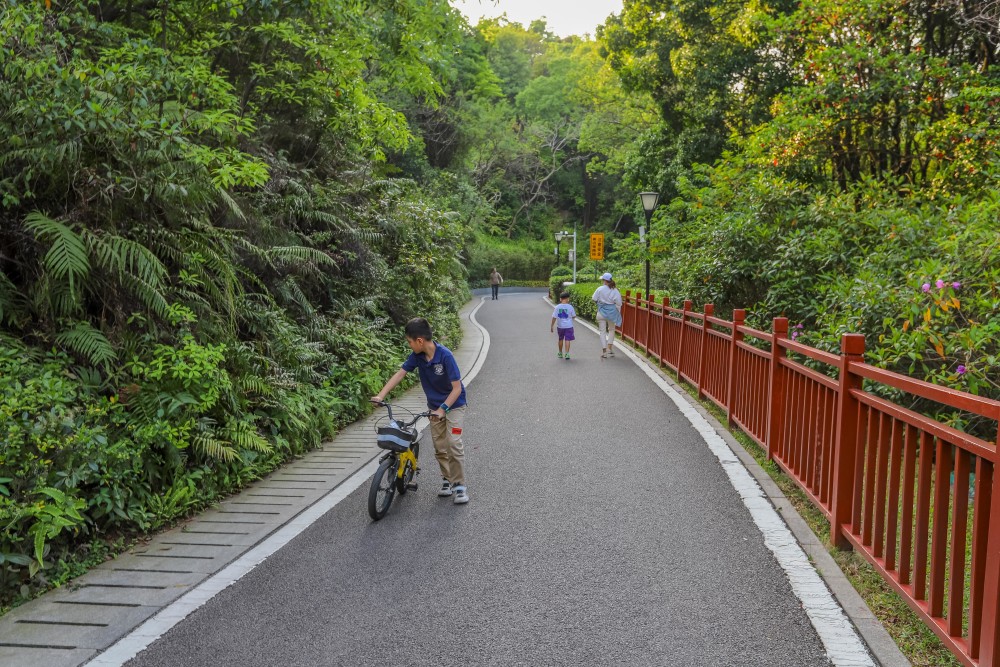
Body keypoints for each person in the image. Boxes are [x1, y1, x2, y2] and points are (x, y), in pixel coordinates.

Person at [371, 317, 470, 505]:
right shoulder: (417, 357)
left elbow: (456, 388)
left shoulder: (445, 356)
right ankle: (447, 480)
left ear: (419, 341)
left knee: (453, 443)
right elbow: (400, 373)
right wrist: (380, 395)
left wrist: (443, 409)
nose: (409, 345)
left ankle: (459, 486)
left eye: (409, 341)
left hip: (454, 406)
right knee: (439, 446)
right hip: (434, 408)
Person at [592, 272, 622, 359]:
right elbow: (619, 303)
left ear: (604, 280)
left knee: (602, 332)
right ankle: (609, 347)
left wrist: (600, 303)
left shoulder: (600, 289)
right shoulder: (615, 290)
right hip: (612, 313)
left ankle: (604, 351)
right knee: (611, 329)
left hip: (601, 312)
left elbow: (594, 298)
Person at [550, 291, 577, 360]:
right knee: (567, 339)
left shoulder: (557, 307)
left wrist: (552, 326)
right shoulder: (570, 307)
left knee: (560, 339)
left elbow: (554, 317)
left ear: (560, 299)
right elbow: (574, 316)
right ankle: (567, 354)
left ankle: (560, 353)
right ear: (568, 299)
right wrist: (571, 318)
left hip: (560, 326)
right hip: (569, 326)